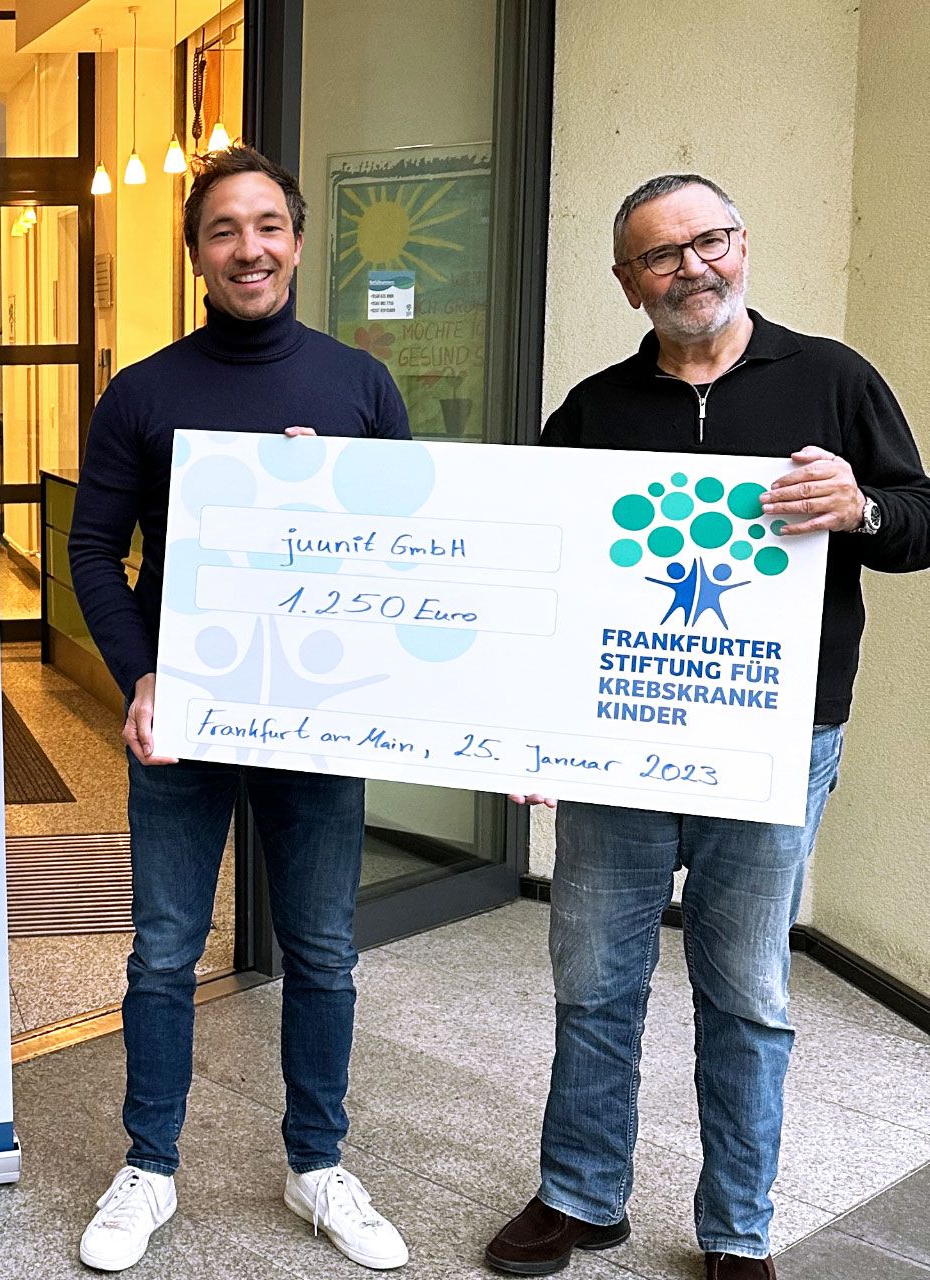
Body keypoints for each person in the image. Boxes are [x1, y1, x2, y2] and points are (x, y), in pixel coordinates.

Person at [485, 174, 930, 1280]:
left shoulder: (832, 379)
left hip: (775, 740)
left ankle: (737, 1228)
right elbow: (532, 562)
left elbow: (921, 518)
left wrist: (861, 508)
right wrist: (529, 725)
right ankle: (580, 1193)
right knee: (595, 978)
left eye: (711, 240)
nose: (692, 267)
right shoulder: (593, 410)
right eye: (661, 254)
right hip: (619, 736)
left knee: (746, 992)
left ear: (742, 244)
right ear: (627, 282)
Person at [67, 145, 412, 1273]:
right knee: (164, 950)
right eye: (224, 230)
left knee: (323, 951)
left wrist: (334, 494)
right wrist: (142, 674)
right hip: (189, 713)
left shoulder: (361, 386)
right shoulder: (145, 391)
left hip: (319, 712)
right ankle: (149, 1166)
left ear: (299, 243)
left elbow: (405, 550)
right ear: (196, 255)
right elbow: (92, 549)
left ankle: (318, 1162)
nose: (248, 248)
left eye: (268, 226)